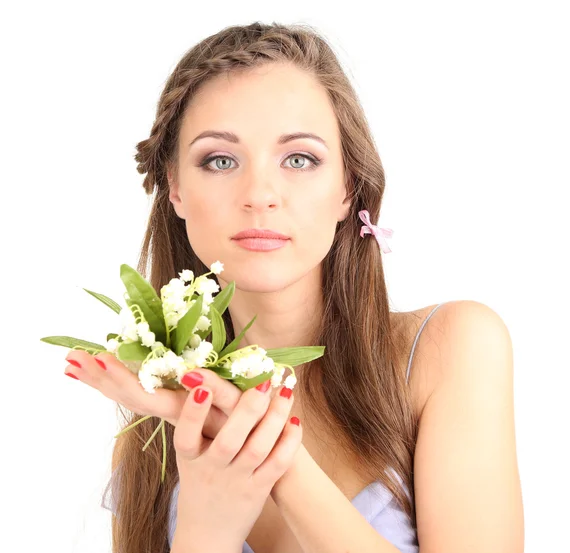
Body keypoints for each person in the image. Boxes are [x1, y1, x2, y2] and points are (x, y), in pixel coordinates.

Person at [63, 21, 524, 553]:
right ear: (175, 188)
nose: (260, 193)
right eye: (220, 160)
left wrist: (268, 454)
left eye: (299, 159)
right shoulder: (150, 441)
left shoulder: (450, 349)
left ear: (348, 188)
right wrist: (204, 531)